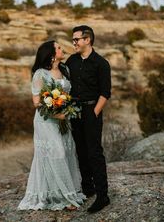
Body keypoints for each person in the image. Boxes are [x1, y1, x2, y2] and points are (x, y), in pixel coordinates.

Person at [18, 40, 86, 211]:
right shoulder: (40, 74)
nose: (62, 50)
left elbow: (68, 95)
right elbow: (36, 102)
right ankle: (63, 196)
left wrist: (67, 110)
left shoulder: (65, 70)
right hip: (47, 121)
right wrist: (56, 111)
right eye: (59, 48)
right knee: (58, 153)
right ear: (51, 54)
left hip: (64, 120)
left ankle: (66, 192)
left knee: (67, 151)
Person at [65, 25, 111, 213]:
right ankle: (88, 188)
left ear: (87, 40)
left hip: (92, 109)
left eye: (76, 39)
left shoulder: (101, 63)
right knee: (81, 150)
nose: (73, 43)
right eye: (73, 40)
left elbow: (105, 92)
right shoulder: (72, 61)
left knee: (94, 152)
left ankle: (103, 196)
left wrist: (94, 113)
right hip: (74, 110)